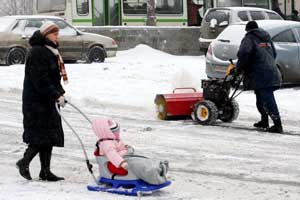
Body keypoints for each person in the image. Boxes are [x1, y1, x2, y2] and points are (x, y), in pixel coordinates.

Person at [16, 21, 68, 181]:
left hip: (46, 101)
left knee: (49, 135)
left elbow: (53, 77)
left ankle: (45, 171)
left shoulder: (50, 51)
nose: (56, 36)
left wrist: (60, 93)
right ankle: (24, 162)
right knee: (40, 136)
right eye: (54, 34)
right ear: (46, 35)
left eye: (57, 34)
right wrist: (55, 94)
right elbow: (41, 80)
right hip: (37, 102)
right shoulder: (38, 52)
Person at [234, 21, 283, 133]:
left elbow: (244, 53)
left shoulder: (249, 38)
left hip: (260, 73)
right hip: (271, 71)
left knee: (267, 98)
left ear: (248, 30)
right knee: (261, 98)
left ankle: (277, 125)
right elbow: (274, 54)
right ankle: (264, 121)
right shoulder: (266, 38)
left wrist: (239, 69)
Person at [92, 118, 169, 185]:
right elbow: (113, 155)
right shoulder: (107, 144)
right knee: (138, 164)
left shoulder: (113, 140)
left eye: (117, 130)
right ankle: (153, 174)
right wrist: (122, 163)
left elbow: (120, 149)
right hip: (117, 165)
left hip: (126, 157)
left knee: (143, 159)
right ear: (107, 132)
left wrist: (126, 148)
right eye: (115, 131)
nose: (117, 133)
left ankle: (157, 168)